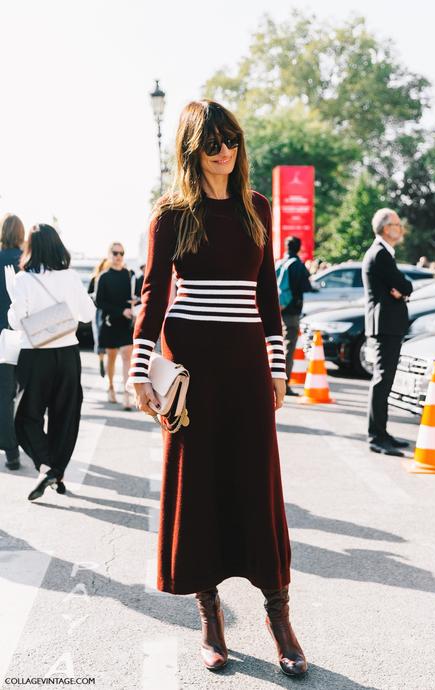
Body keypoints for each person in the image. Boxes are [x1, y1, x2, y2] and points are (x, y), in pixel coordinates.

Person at [128, 100, 307, 677]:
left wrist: (278, 369)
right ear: (191, 149)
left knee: (258, 485)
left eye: (230, 139)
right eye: (211, 142)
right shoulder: (172, 214)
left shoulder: (257, 207)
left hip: (248, 367)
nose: (224, 150)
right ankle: (210, 615)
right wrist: (140, 370)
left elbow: (268, 300)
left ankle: (278, 615)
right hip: (193, 374)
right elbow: (155, 294)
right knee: (199, 488)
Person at [7, 224, 95, 501]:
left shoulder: (22, 280)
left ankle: (47, 467)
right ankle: (56, 471)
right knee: (64, 416)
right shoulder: (69, 277)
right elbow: (88, 314)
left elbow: (17, 321)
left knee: (26, 416)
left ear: (31, 248)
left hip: (35, 354)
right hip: (68, 353)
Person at [362, 208, 413, 456]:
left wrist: (401, 290)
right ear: (385, 228)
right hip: (385, 325)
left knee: (385, 380)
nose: (400, 228)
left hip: (387, 324)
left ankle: (382, 433)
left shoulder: (384, 253)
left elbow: (402, 287)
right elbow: (404, 285)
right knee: (382, 380)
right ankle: (376, 437)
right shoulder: (380, 254)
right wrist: (402, 290)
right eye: (396, 223)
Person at [95, 242, 138, 410]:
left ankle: (127, 394)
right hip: (110, 322)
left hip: (126, 324)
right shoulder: (104, 277)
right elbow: (99, 302)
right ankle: (111, 386)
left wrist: (135, 302)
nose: (119, 256)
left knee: (127, 357)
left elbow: (137, 295)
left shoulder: (129, 275)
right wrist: (121, 311)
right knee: (111, 358)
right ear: (109, 254)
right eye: (115, 253)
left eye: (122, 253)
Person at [0, 214, 25, 470]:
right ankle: (11, 450)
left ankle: (11, 448)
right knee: (11, 392)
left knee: (5, 393)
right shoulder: (24, 262)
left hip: (3, 335)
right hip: (19, 336)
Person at [276, 235, 315, 395]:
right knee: (289, 347)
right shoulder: (297, 265)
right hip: (291, 310)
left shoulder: (280, 262)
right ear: (298, 248)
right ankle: (283, 384)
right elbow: (306, 287)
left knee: (276, 346)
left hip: (278, 307)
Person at [88, 258, 109, 378]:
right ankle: (102, 360)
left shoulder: (110, 278)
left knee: (104, 338)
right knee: (99, 337)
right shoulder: (94, 279)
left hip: (106, 311)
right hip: (97, 312)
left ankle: (104, 360)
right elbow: (89, 295)